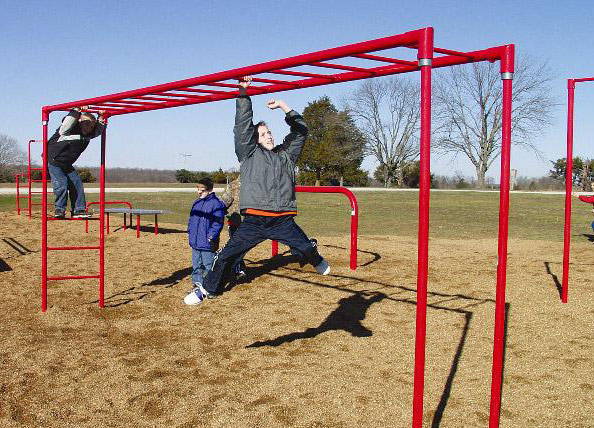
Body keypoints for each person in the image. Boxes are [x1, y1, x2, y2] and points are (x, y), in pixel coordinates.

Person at [184, 76, 330, 305]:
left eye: (269, 132)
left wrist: (284, 106)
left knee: (304, 248)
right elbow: (242, 127)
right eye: (262, 134)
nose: (269, 135)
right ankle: (207, 290)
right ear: (254, 140)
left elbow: (301, 132)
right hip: (254, 221)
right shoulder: (249, 154)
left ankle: (315, 257)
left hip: (283, 220)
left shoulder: (286, 156)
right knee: (226, 255)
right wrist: (243, 92)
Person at [47, 106, 105, 219]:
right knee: (61, 185)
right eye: (86, 124)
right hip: (55, 161)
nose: (89, 127)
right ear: (78, 121)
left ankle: (79, 210)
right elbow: (68, 122)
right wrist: (76, 111)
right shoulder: (67, 130)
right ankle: (59, 209)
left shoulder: (88, 134)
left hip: (67, 164)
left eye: (92, 125)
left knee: (77, 184)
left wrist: (101, 117)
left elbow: (98, 130)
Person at [184, 177, 226, 305]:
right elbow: (192, 220)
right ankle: (197, 285)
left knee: (209, 265)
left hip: (207, 242)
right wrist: (190, 231)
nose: (199, 192)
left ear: (209, 190)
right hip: (196, 241)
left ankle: (209, 288)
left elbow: (218, 223)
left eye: (202, 190)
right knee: (196, 265)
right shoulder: (197, 203)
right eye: (198, 189)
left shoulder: (216, 204)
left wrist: (211, 236)